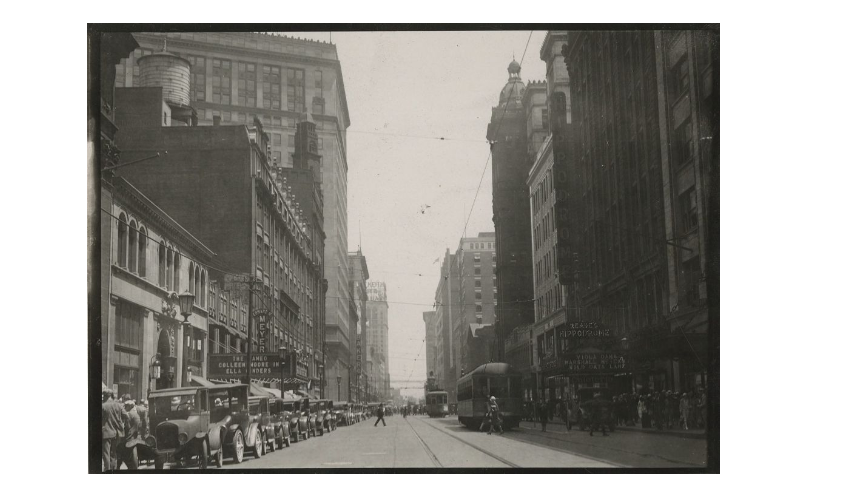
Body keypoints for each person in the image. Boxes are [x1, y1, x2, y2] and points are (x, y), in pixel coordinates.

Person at [102, 388, 129, 471]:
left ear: (105, 396)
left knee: (106, 454)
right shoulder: (118, 405)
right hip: (116, 433)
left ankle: (107, 470)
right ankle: (114, 469)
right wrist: (121, 423)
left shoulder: (103, 406)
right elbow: (127, 416)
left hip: (106, 433)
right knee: (113, 454)